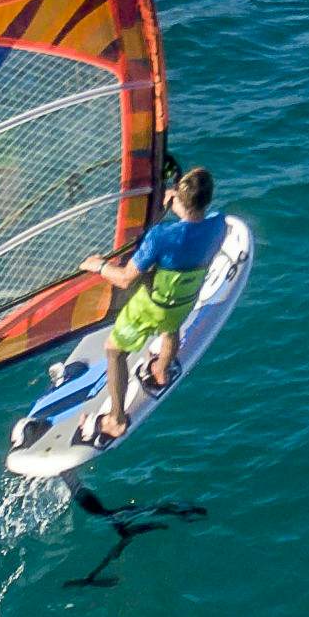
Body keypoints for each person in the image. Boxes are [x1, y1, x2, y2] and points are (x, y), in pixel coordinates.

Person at [77, 166, 224, 445]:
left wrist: (99, 266)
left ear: (180, 199)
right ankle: (161, 369)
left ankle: (116, 420)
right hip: (183, 300)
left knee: (115, 351)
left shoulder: (160, 237)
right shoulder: (219, 224)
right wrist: (179, 207)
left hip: (150, 306)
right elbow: (192, 231)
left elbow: (123, 279)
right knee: (171, 329)